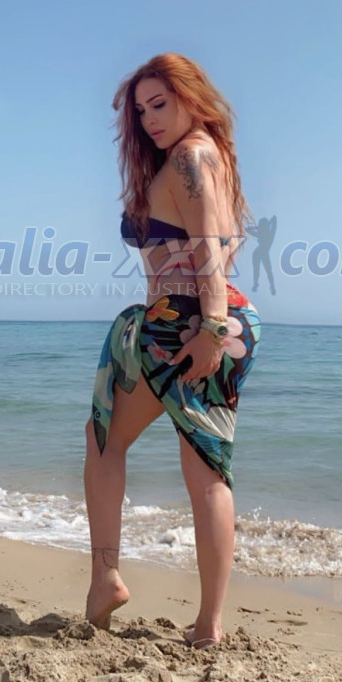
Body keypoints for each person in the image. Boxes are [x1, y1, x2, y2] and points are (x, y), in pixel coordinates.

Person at [83, 53, 261, 649]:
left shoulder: (190, 157)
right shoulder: (214, 156)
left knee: (104, 441)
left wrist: (208, 328)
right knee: (207, 473)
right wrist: (215, 324)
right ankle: (209, 625)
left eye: (160, 104)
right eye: (141, 111)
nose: (150, 119)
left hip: (184, 324)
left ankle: (105, 577)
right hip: (221, 320)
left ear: (191, 96)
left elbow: (208, 245)